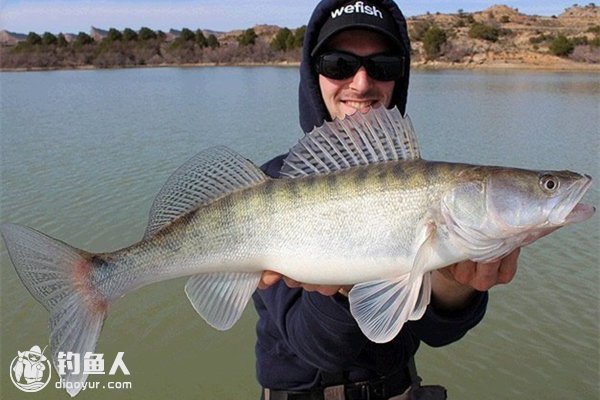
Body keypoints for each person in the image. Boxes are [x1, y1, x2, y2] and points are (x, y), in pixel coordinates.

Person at [253, 1, 520, 399]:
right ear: (313, 74)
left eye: (384, 66)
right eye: (339, 63)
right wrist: (344, 291)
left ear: (401, 76)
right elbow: (314, 346)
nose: (361, 84)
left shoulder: (427, 185)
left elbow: (437, 333)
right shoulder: (267, 186)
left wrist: (454, 287)